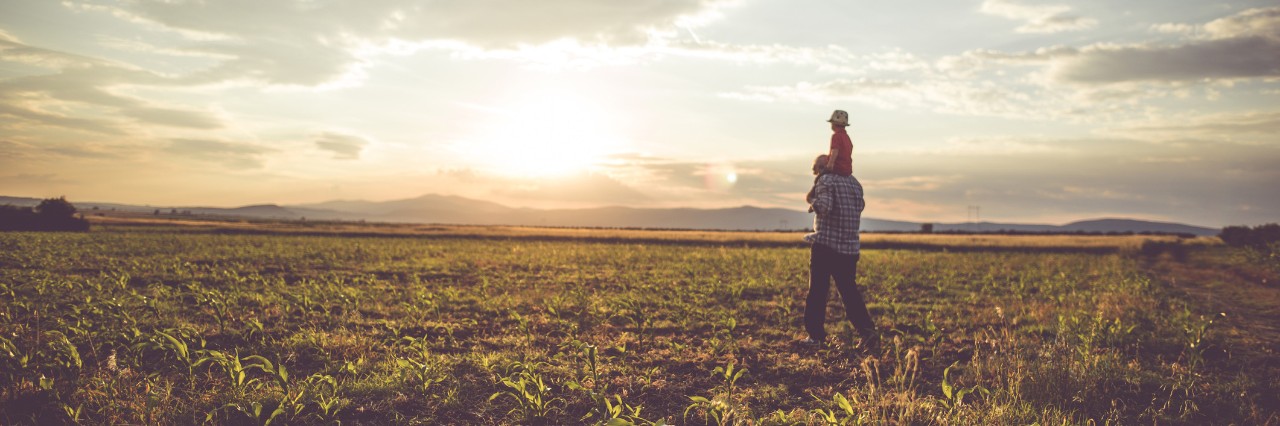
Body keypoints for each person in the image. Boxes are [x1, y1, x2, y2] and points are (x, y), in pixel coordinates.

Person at [800, 153, 878, 350]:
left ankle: (816, 337)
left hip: (826, 245)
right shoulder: (854, 183)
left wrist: (813, 203)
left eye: (817, 168)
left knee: (818, 292)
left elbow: (824, 207)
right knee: (849, 292)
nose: (816, 172)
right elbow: (860, 206)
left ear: (825, 166)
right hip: (849, 247)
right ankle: (868, 333)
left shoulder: (825, 181)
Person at [824, 110, 853, 177]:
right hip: (847, 170)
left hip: (837, 169)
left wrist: (830, 165)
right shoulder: (847, 138)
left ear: (834, 124)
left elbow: (834, 151)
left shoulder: (836, 136)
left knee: (819, 179)